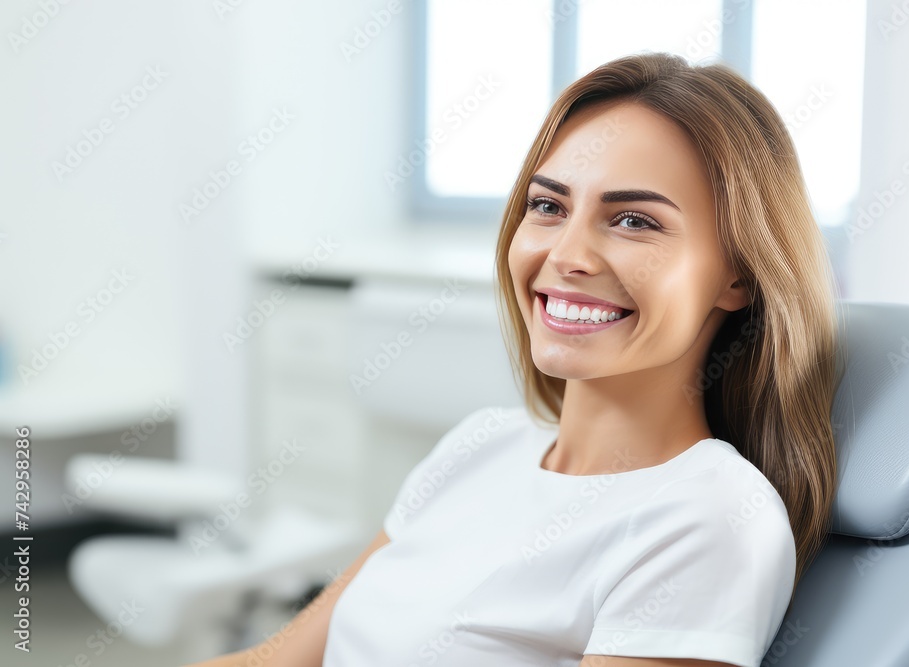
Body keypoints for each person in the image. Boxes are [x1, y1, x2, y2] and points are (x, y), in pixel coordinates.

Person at [187, 50, 841, 667]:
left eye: (635, 220)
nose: (567, 255)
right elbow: (277, 657)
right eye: (549, 206)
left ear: (739, 276)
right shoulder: (478, 445)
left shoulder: (709, 518)